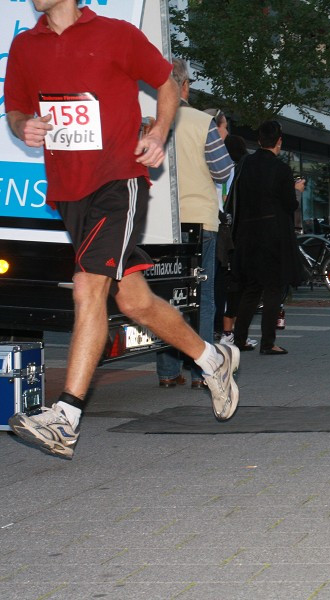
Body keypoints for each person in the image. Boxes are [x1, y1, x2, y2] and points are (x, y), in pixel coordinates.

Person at [4, 0, 240, 458]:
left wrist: (157, 133)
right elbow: (15, 109)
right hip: (68, 192)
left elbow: (166, 84)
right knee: (133, 299)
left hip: (118, 181)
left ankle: (65, 418)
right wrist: (24, 126)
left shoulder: (115, 34)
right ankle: (214, 360)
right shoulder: (25, 46)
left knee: (87, 285)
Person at [156, 60, 234, 390]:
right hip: (200, 221)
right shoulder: (203, 122)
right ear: (185, 86)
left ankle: (168, 371)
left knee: (164, 298)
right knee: (202, 298)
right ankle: (203, 372)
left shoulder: (150, 121)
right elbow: (223, 171)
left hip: (160, 223)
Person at [230, 120, 302, 356]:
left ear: (259, 140)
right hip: (273, 233)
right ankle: (268, 342)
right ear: (279, 141)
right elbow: (289, 204)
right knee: (272, 287)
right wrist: (296, 190)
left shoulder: (245, 163)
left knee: (251, 287)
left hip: (248, 233)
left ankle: (238, 338)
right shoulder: (281, 168)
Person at [218, 134, 258, 350]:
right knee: (237, 284)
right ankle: (229, 333)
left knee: (227, 283)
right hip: (233, 233)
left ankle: (226, 332)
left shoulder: (225, 168)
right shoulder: (236, 170)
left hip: (222, 228)